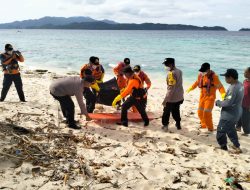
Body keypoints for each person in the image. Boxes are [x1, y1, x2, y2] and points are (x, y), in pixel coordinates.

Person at [187, 62, 226, 132]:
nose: (202, 72)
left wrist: (223, 94)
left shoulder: (214, 77)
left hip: (210, 97)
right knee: (200, 112)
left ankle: (210, 128)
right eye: (202, 71)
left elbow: (220, 87)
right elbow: (197, 82)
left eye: (204, 71)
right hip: (202, 96)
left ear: (208, 70)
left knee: (207, 113)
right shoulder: (201, 75)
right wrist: (191, 88)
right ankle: (203, 124)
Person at [215, 69, 244, 153]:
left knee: (220, 131)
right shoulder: (240, 85)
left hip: (229, 115)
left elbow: (228, 102)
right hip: (237, 112)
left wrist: (218, 103)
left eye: (226, 77)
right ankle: (236, 145)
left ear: (230, 78)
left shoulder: (233, 88)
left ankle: (223, 147)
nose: (225, 79)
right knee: (231, 129)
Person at [161, 58, 184, 131]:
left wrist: (165, 100)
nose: (165, 66)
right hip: (180, 96)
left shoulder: (171, 74)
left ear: (171, 64)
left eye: (166, 64)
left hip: (172, 98)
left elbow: (171, 88)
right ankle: (178, 124)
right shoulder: (179, 71)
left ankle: (165, 126)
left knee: (166, 112)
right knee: (176, 111)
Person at [236, 67, 250, 136]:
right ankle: (238, 127)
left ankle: (247, 132)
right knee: (239, 115)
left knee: (245, 118)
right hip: (241, 101)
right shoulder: (245, 81)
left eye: (245, 72)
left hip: (248, 104)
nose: (244, 73)